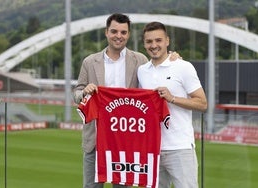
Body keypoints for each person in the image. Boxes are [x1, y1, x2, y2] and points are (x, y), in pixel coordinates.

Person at [73, 14, 179, 188]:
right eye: (114, 31)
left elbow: (159, 68)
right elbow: (76, 93)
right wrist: (84, 92)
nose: (118, 36)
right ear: (106, 32)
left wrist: (173, 58)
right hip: (95, 138)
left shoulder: (140, 60)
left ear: (128, 34)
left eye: (123, 32)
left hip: (125, 139)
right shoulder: (90, 62)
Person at [137, 21, 208, 188]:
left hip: (180, 147)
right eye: (149, 41)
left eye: (158, 40)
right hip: (152, 149)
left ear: (167, 41)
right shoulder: (142, 71)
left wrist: (172, 98)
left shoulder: (183, 67)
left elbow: (202, 103)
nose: (154, 45)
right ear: (144, 44)